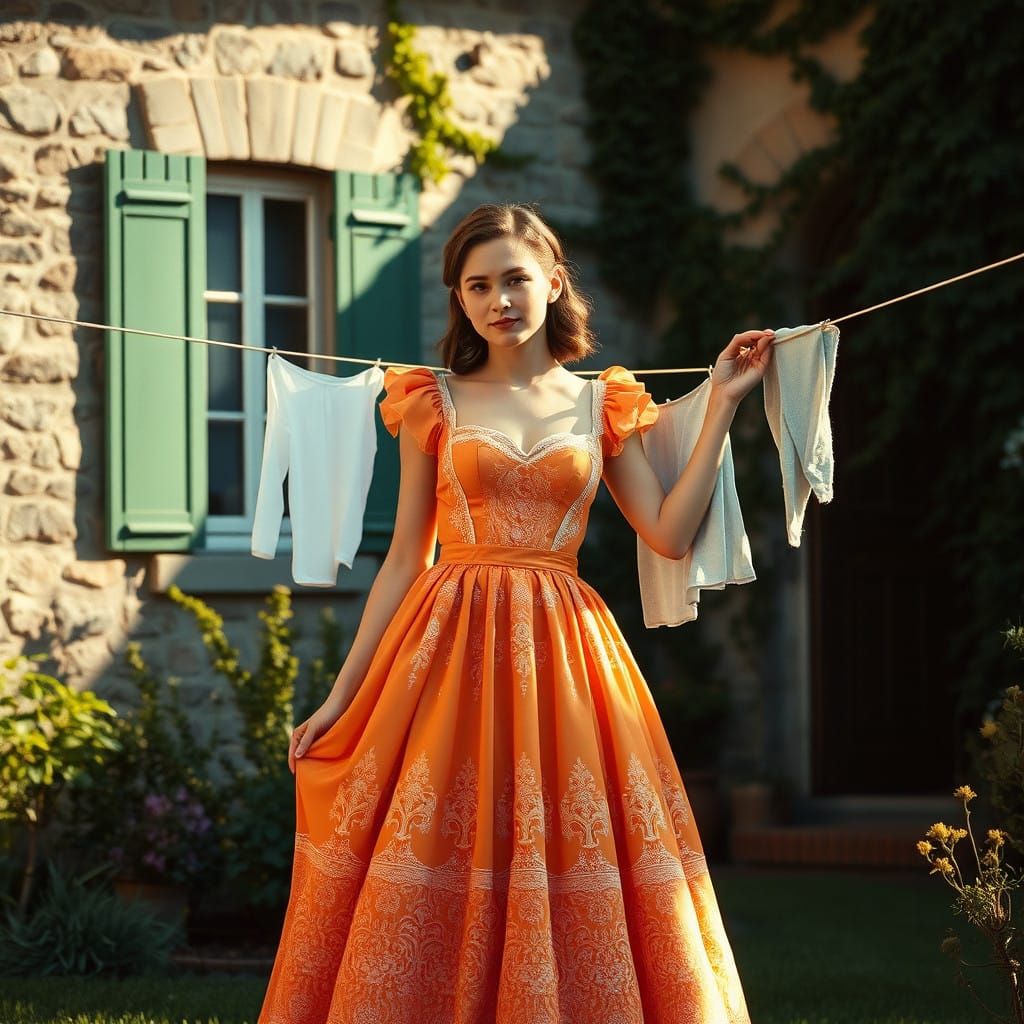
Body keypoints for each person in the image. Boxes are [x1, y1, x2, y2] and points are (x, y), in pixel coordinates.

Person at [256, 203, 773, 1024]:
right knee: (444, 840)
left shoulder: (601, 403)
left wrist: (723, 406)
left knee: (564, 845)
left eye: (516, 280)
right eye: (478, 285)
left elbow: (669, 535)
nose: (499, 299)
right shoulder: (433, 399)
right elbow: (402, 562)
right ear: (459, 301)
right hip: (444, 650)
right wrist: (340, 697)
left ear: (554, 282)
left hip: (566, 656)